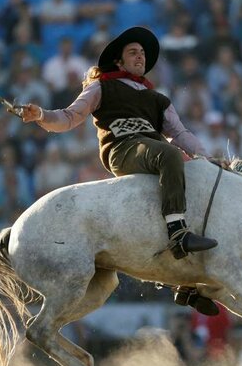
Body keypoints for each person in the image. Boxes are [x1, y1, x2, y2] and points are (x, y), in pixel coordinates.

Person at [20, 26, 224, 315]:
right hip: (123, 150)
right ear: (119, 60)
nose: (140, 57)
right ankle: (178, 235)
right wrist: (41, 115)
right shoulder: (101, 87)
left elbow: (180, 132)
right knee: (170, 154)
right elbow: (69, 117)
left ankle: (186, 284)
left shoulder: (158, 98)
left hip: (154, 154)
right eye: (133, 52)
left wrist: (207, 158)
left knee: (194, 173)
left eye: (142, 53)